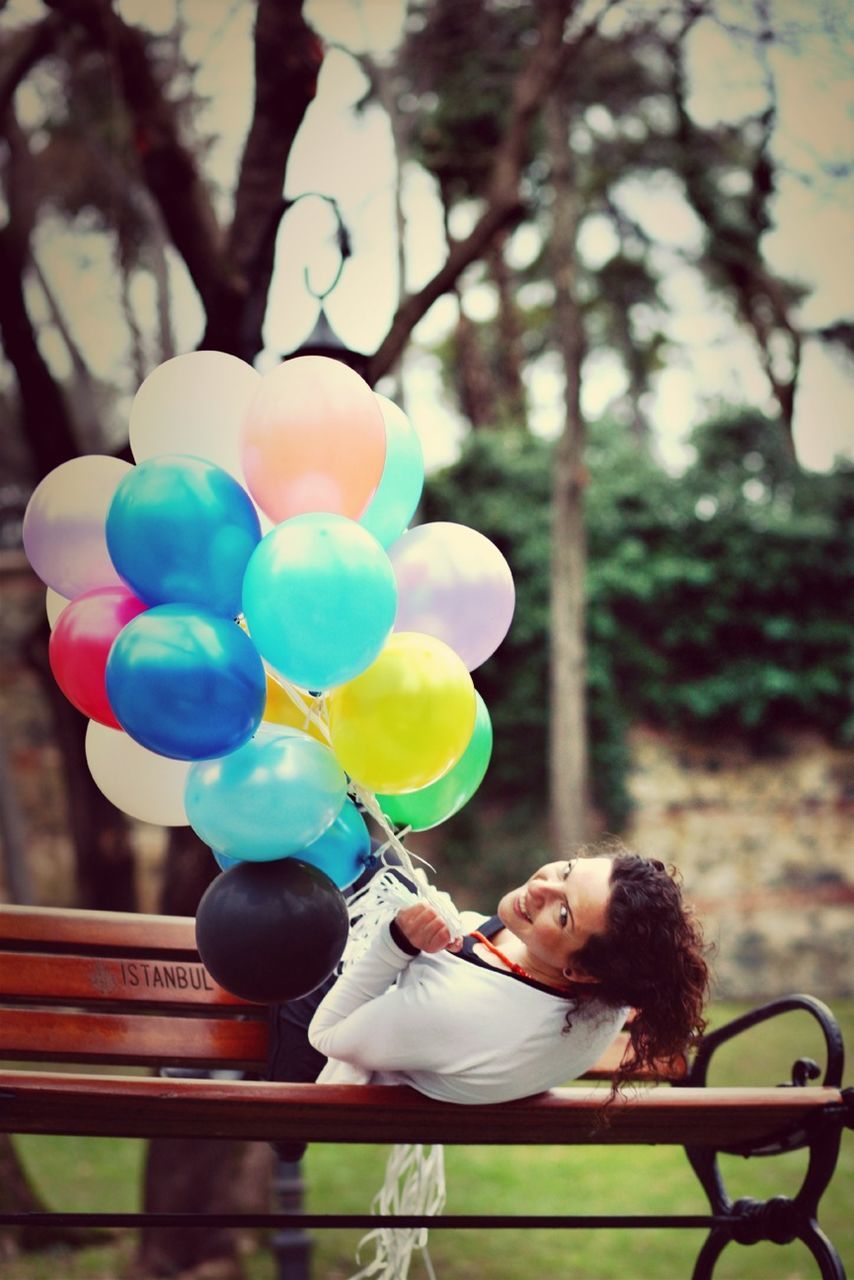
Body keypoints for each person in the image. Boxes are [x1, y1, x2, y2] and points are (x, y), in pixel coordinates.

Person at [267, 842, 710, 1116]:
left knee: (297, 922)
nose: (540, 888)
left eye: (563, 913)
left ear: (580, 972)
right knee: (369, 857)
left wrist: (398, 942)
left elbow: (324, 1034)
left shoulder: (461, 1012)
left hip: (305, 1075)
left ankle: (285, 1141)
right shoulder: (603, 994)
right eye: (568, 871)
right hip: (409, 1030)